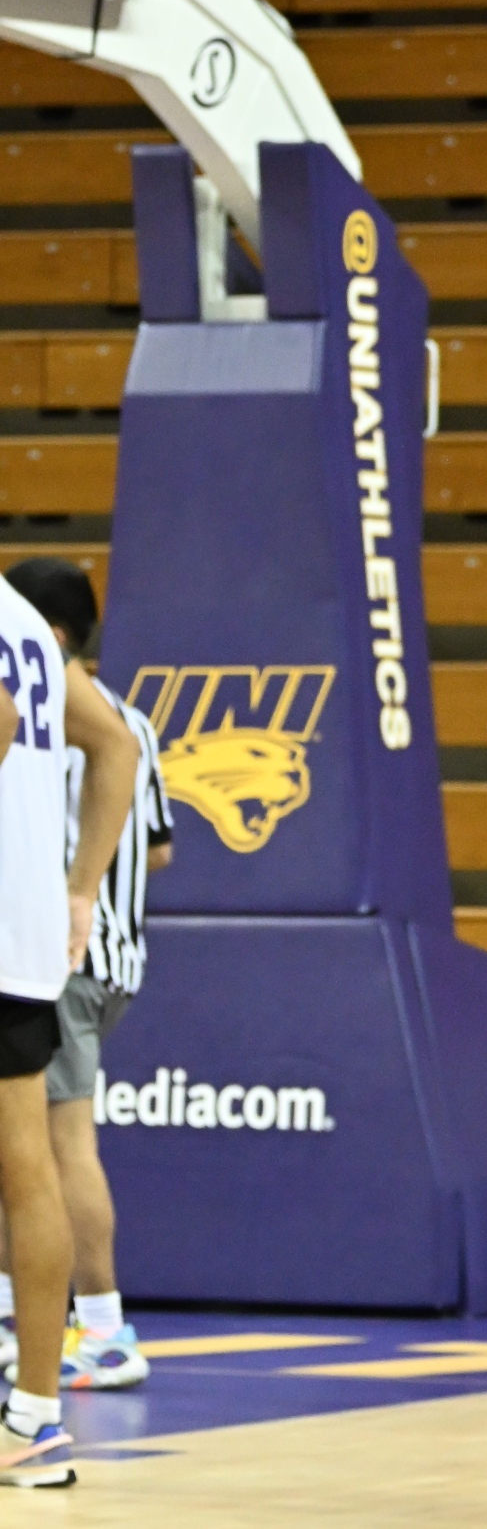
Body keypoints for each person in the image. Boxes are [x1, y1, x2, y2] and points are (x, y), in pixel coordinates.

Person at [0, 558, 173, 1392]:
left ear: (52, 634)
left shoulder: (38, 703)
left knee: (55, 1148)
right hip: (104, 952)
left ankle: (102, 1329)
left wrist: (73, 894)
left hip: (55, 952)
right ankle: (31, 1344)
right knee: (34, 1151)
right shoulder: (128, 720)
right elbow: (162, 843)